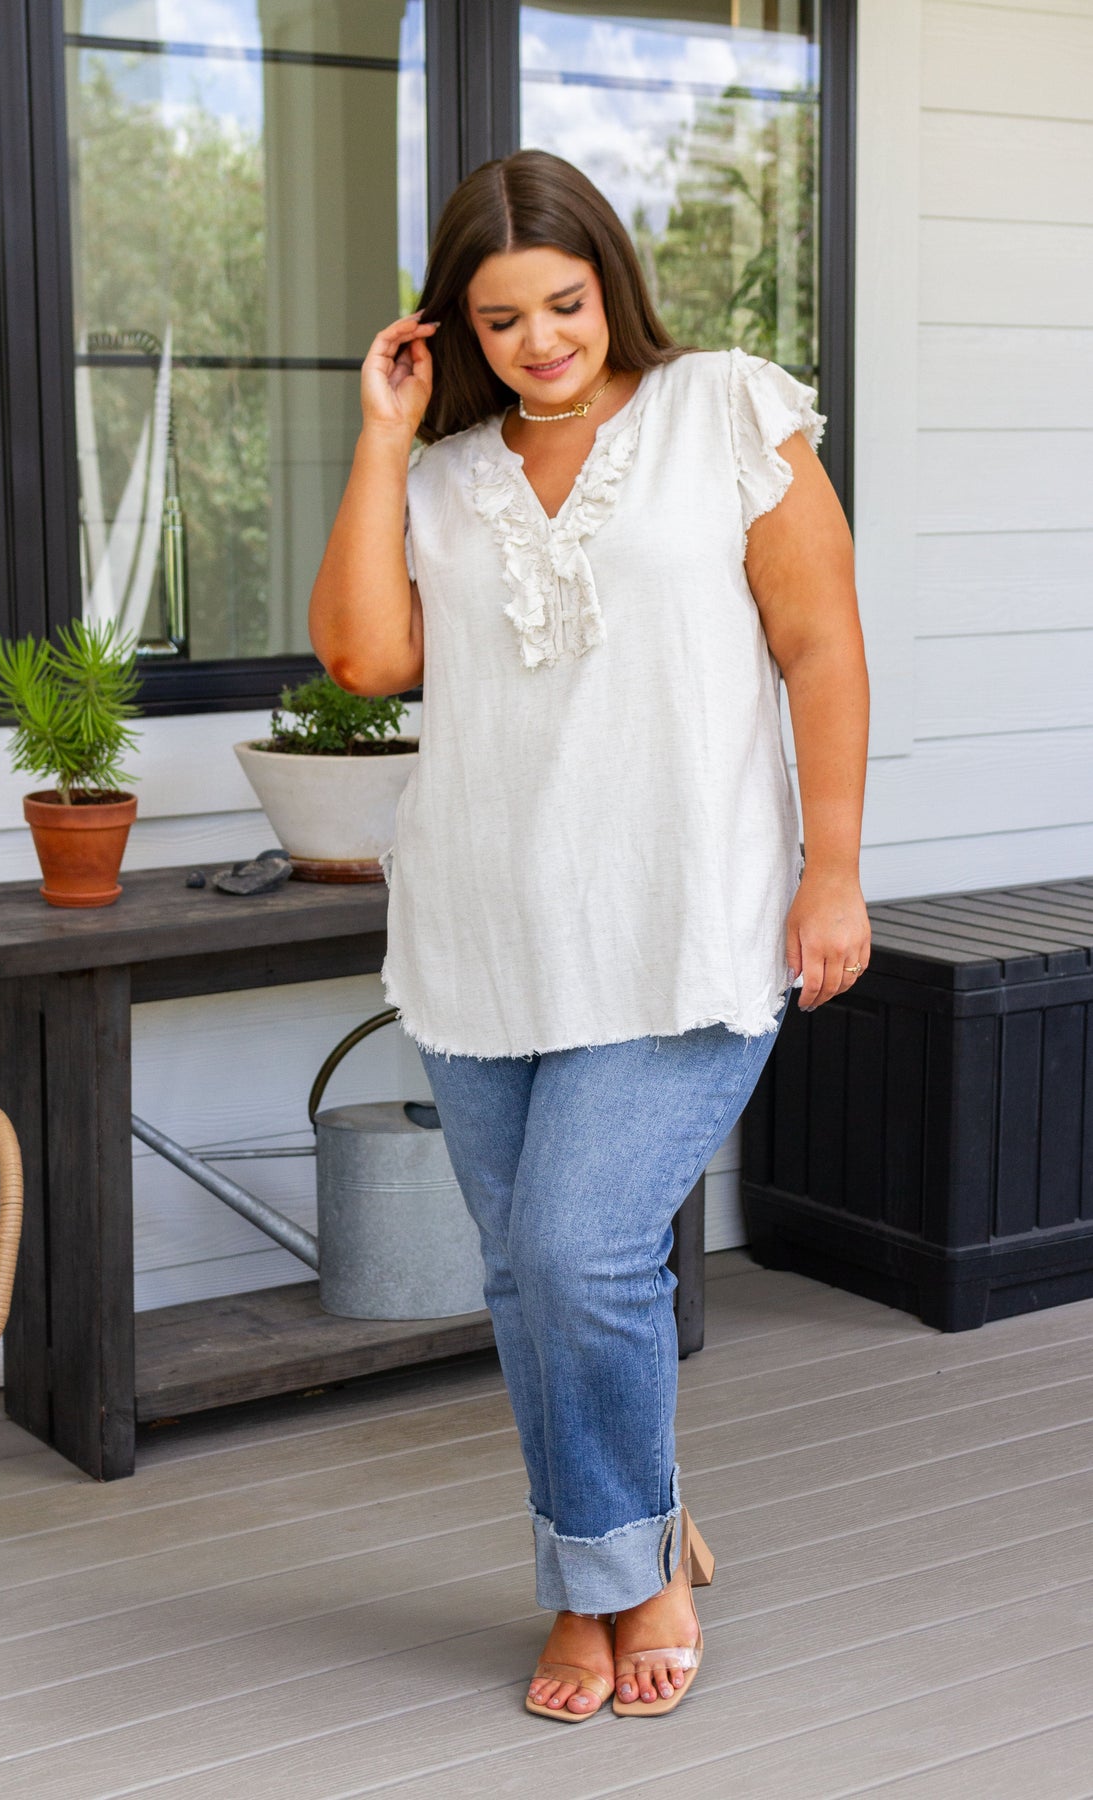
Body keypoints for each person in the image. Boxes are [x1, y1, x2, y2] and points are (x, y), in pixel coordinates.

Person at [310, 149, 869, 1722]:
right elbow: (362, 660)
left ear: (607, 283)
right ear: (455, 330)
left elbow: (820, 644)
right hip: (482, 929)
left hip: (684, 917)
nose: (539, 341)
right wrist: (381, 437)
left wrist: (832, 872)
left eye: (562, 303)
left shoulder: (722, 410)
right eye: (499, 320)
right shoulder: (442, 474)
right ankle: (625, 1549)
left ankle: (608, 1582)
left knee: (577, 1252)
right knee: (527, 1278)